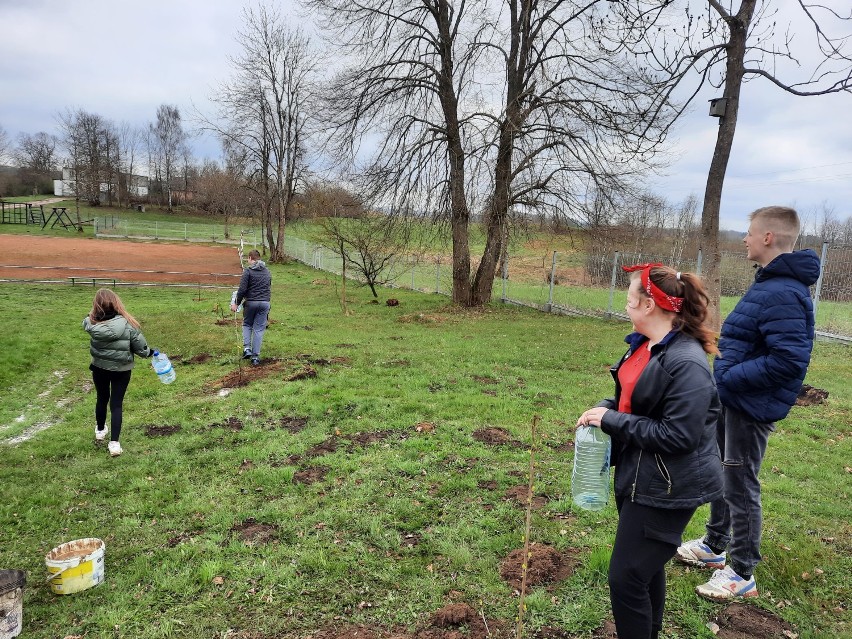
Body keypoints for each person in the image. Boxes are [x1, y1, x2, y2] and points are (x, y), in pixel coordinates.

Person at [676, 206, 820, 601]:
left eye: (750, 232)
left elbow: (789, 360)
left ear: (769, 238)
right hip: (735, 399)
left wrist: (729, 377)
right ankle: (714, 545)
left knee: (740, 483)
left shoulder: (784, 292)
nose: (745, 239)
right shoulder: (770, 284)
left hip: (749, 406)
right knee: (724, 474)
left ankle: (741, 571)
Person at [577, 263, 723, 639]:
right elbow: (636, 399)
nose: (625, 307)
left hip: (668, 487)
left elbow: (678, 436)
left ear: (648, 306)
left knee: (626, 577)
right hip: (640, 473)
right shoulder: (647, 345)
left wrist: (610, 421)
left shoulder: (687, 364)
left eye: (629, 300)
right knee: (645, 568)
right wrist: (605, 407)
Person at [83, 289, 152, 457]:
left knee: (101, 398)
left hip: (99, 368)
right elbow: (142, 350)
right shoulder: (128, 324)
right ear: (116, 303)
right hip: (121, 370)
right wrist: (151, 352)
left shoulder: (92, 324)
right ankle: (114, 444)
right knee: (116, 404)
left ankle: (100, 431)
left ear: (96, 304)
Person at [231, 249, 272, 366]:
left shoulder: (248, 272)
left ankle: (247, 348)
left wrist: (236, 303)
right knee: (259, 329)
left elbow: (242, 290)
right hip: (265, 303)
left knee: (247, 324)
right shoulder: (267, 272)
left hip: (251, 303)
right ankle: (255, 357)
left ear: (250, 258)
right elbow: (268, 287)